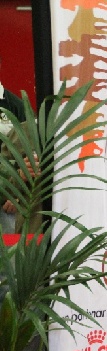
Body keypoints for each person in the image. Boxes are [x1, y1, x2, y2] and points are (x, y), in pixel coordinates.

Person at [0, 56, 27, 235]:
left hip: (6, 199)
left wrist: (18, 194)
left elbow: (31, 154)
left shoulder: (15, 105)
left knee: (10, 259)